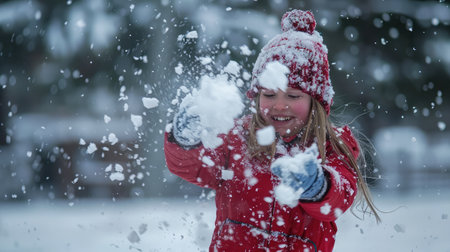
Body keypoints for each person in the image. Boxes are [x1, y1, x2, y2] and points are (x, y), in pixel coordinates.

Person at [164, 9, 380, 252]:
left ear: (316, 101)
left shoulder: (331, 148)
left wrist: (317, 185)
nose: (279, 104)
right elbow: (195, 167)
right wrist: (186, 139)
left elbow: (339, 197)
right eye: (269, 94)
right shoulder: (239, 139)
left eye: (293, 95)